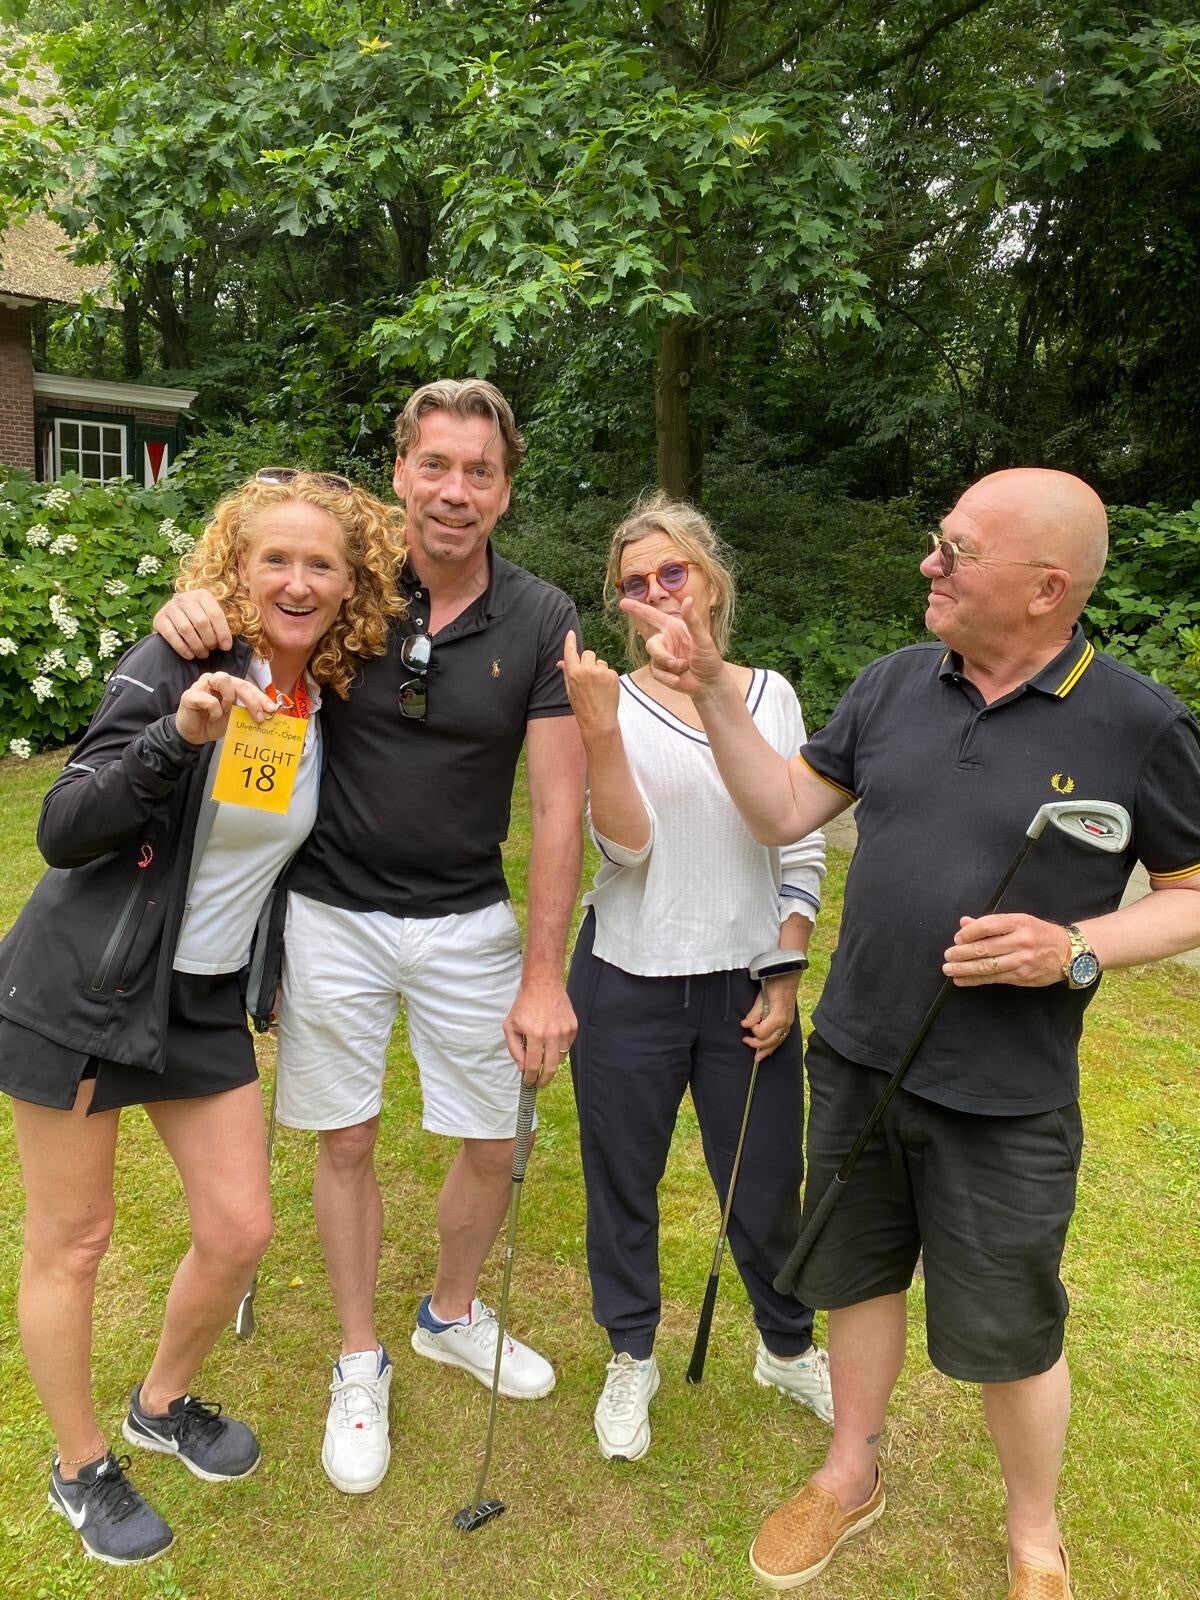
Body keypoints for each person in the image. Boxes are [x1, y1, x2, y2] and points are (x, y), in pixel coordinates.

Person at [622, 468, 1200, 1598]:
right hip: (857, 1057)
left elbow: (1190, 893)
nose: (929, 562)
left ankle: (1035, 1538)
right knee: (856, 1276)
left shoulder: (1141, 725)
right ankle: (851, 1472)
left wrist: (1075, 946)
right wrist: (713, 691)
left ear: (1046, 588)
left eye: (957, 550)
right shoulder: (894, 683)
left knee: (1013, 1326)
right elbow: (784, 811)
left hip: (1008, 1092)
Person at [152, 379, 586, 1495]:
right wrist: (186, 611)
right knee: (344, 1140)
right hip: (332, 913)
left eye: (479, 471)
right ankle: (359, 1357)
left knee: (493, 1139)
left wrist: (545, 975)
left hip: (468, 918)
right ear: (400, 473)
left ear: (506, 489)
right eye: (434, 464)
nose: (454, 490)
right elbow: (247, 605)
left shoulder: (541, 616)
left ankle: (450, 1311)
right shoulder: (347, 586)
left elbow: (557, 808)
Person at [0, 470, 405, 1566]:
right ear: (236, 569)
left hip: (202, 999)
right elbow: (64, 826)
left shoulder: (323, 701)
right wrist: (175, 736)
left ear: (352, 586)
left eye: (322, 564)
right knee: (75, 1241)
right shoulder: (178, 659)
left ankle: (158, 1403)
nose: (297, 581)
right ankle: (80, 1465)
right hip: (87, 989)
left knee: (239, 1231)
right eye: (275, 559)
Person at [558, 495, 833, 1462]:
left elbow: (800, 843)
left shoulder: (773, 695)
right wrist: (598, 735)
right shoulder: (607, 701)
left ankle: (785, 1346)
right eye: (633, 583)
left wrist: (786, 970)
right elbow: (624, 851)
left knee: (766, 1181)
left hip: (746, 987)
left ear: (710, 581)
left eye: (671, 573)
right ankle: (631, 1352)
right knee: (621, 1181)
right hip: (627, 980)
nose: (655, 593)